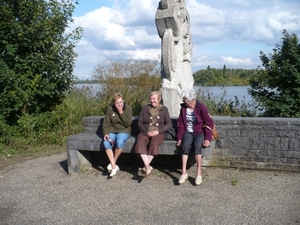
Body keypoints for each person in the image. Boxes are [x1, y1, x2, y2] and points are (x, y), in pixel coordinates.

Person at [176, 88, 214, 185]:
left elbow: (209, 123)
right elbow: (180, 123)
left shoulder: (201, 107)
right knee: (185, 146)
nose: (184, 101)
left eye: (185, 100)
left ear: (191, 99)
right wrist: (179, 138)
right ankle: (184, 173)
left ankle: (198, 174)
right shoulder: (184, 108)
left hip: (199, 131)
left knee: (197, 146)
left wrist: (207, 138)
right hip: (188, 131)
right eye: (184, 99)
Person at [135, 91, 172, 176]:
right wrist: (146, 132)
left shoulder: (164, 109)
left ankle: (146, 166)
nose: (152, 100)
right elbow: (140, 122)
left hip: (158, 132)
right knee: (140, 141)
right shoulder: (145, 108)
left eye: (154, 98)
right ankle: (147, 167)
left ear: (159, 99)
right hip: (145, 131)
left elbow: (169, 124)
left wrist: (157, 131)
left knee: (154, 142)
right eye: (151, 98)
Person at [102, 93, 132, 177]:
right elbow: (106, 124)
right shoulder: (110, 109)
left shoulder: (128, 108)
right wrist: (106, 134)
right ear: (114, 103)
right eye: (117, 103)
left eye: (121, 102)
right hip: (112, 130)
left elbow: (127, 123)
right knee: (106, 143)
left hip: (124, 130)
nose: (119, 104)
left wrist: (121, 112)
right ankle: (114, 166)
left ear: (123, 101)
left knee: (119, 142)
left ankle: (113, 163)